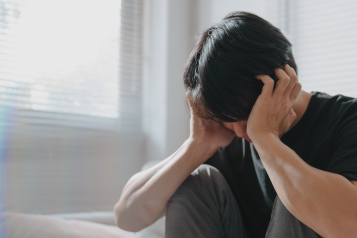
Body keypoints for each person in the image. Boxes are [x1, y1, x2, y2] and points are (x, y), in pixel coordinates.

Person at [114, 11, 357, 238]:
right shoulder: (223, 133)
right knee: (195, 180)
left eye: (248, 114)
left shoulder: (347, 117)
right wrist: (197, 145)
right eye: (228, 120)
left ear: (284, 81)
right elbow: (126, 217)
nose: (241, 131)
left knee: (300, 192)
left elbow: (350, 224)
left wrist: (265, 138)